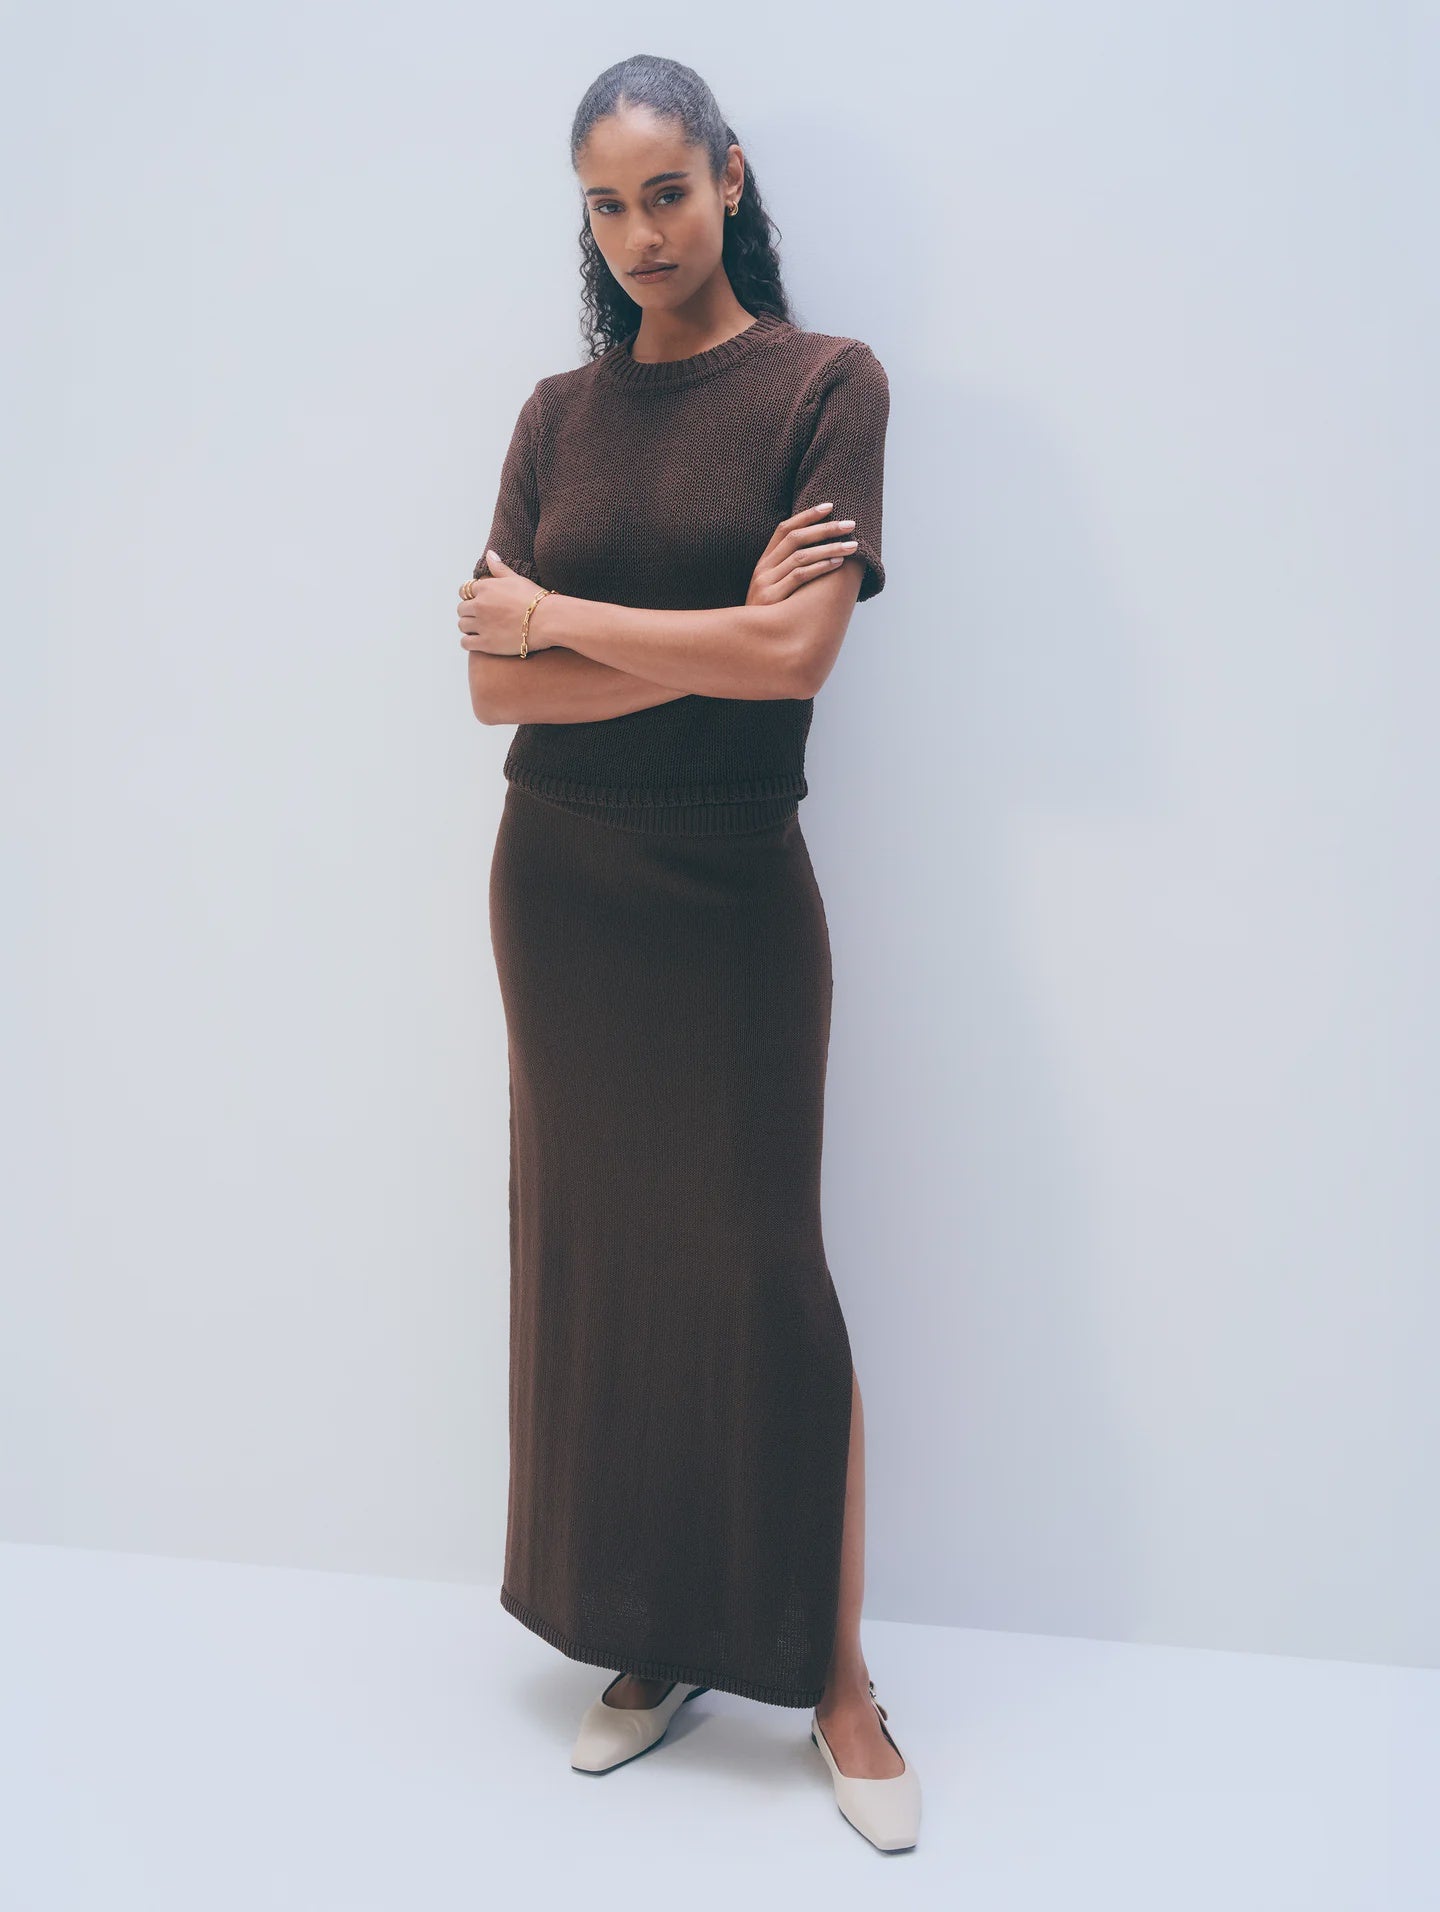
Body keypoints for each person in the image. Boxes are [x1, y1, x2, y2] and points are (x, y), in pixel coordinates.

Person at [458, 53, 920, 1853]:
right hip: (559, 885)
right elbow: (490, 688)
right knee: (603, 1262)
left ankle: (838, 1677)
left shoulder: (827, 387)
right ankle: (649, 1638)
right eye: (605, 202)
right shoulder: (555, 419)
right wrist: (712, 625)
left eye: (666, 189)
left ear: (729, 178)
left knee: (764, 1275)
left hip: (731, 887)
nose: (639, 232)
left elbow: (794, 663)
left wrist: (574, 619)